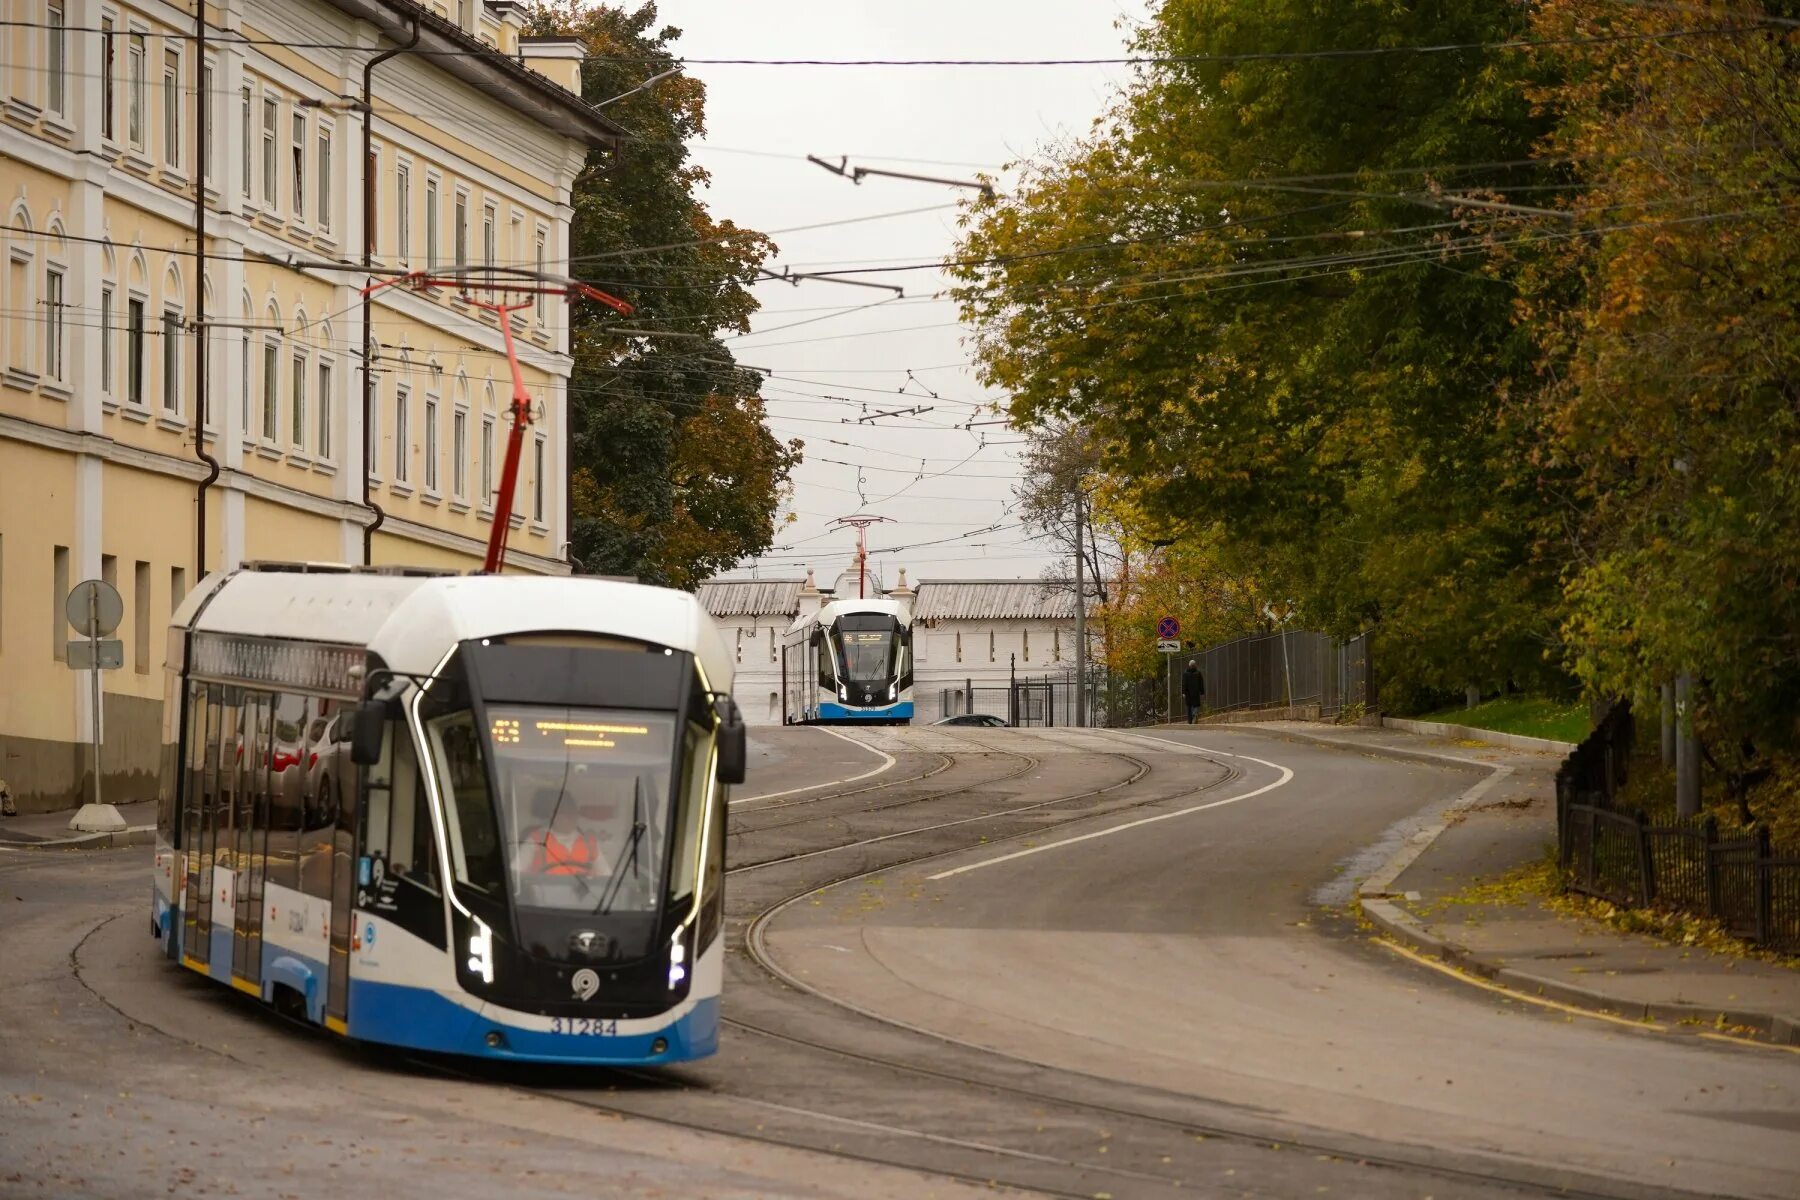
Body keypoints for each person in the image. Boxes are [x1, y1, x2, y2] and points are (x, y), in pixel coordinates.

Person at [521, 787, 611, 878]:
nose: (569, 817)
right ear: (553, 815)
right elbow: (516, 872)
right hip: (543, 891)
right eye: (563, 813)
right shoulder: (536, 839)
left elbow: (606, 875)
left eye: (571, 812)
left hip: (584, 891)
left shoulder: (589, 841)